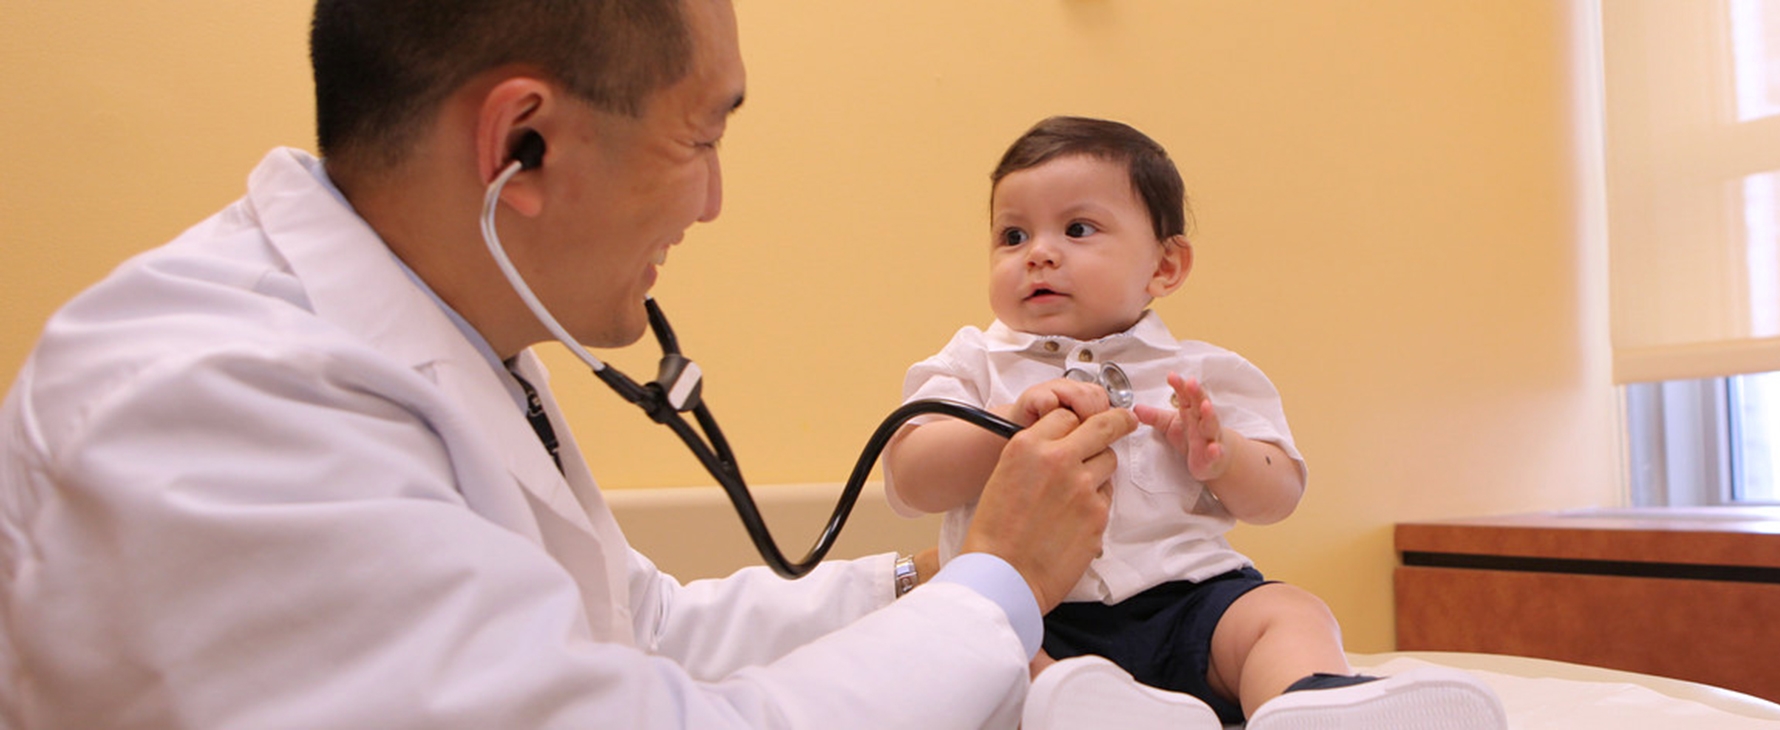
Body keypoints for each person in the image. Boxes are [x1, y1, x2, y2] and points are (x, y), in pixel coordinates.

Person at [0, 1, 1137, 727]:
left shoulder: (449, 336)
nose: (714, 201)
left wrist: (916, 585)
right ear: (519, 145)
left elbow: (630, 622)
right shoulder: (213, 404)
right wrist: (999, 585)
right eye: (702, 138)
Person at [882, 116, 1502, 729]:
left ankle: (1309, 704)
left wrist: (1225, 457)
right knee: (985, 654)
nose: (1039, 254)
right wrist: (1000, 424)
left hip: (1191, 600)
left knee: (1287, 613)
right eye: (1012, 237)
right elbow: (912, 480)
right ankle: (1088, 710)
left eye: (1077, 228)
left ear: (1165, 267)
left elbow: (1279, 493)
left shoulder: (1203, 372)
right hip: (1033, 608)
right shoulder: (972, 365)